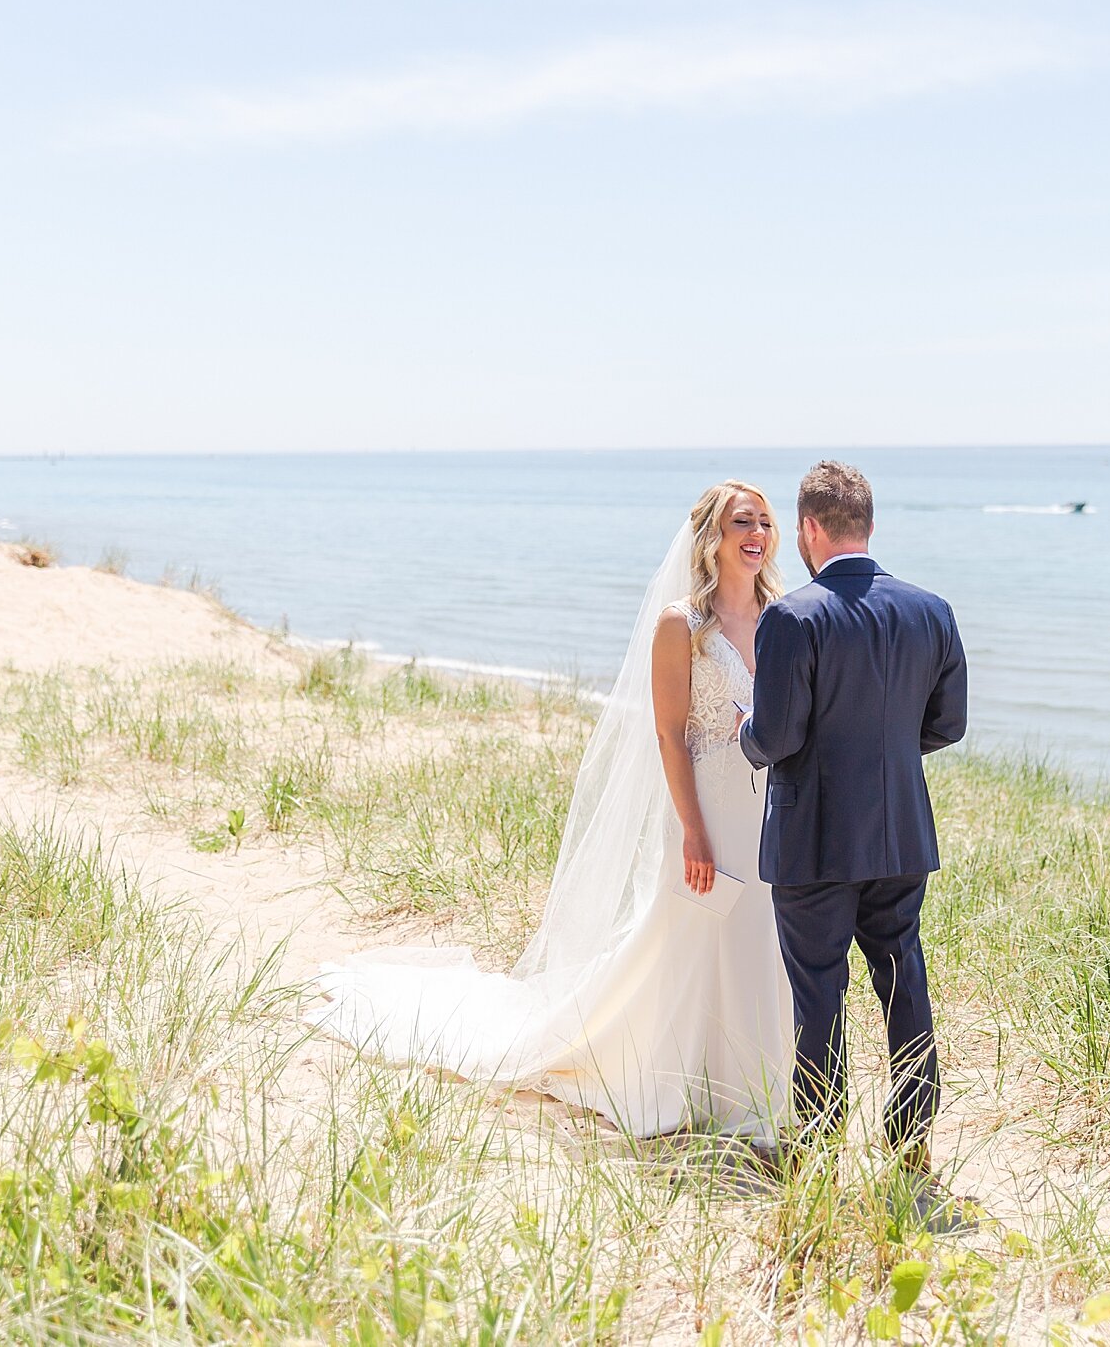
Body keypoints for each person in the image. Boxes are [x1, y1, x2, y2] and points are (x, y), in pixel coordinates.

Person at [311, 481, 795, 1139]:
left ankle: (751, 1084)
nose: (758, 534)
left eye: (766, 521)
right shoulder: (681, 624)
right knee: (690, 939)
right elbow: (668, 734)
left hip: (770, 809)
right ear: (712, 535)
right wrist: (692, 832)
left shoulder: (786, 616)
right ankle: (669, 1076)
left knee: (757, 941)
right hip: (706, 810)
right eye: (744, 521)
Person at [738, 461, 969, 1193]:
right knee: (903, 979)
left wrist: (746, 732)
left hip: (814, 840)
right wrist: (888, 755)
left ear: (808, 529)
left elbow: (775, 738)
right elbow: (948, 725)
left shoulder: (793, 617)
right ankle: (911, 1143)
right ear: (868, 525)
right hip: (900, 833)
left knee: (819, 992)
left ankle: (817, 1143)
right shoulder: (931, 610)